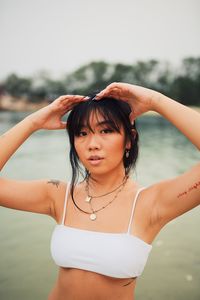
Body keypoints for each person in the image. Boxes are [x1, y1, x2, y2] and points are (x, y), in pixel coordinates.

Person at [0, 82, 199, 300]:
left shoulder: (150, 204)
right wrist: (33, 122)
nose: (92, 144)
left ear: (129, 140)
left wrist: (155, 101)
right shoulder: (58, 196)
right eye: (82, 133)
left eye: (106, 130)